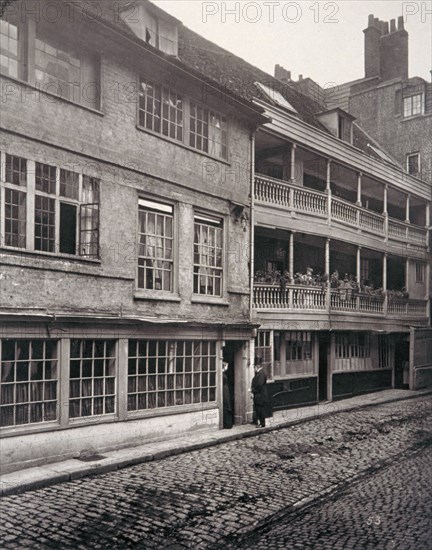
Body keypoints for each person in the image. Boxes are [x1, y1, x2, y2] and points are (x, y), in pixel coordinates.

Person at [251, 356, 270, 428]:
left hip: (260, 396)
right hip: (258, 395)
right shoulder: (259, 373)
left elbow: (259, 385)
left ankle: (262, 423)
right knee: (258, 409)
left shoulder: (261, 374)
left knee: (260, 410)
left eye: (254, 367)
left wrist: (252, 390)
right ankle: (260, 423)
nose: (254, 369)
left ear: (257, 367)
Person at [222, 362, 233, 429]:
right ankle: (226, 423)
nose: (227, 367)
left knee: (227, 404)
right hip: (224, 390)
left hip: (226, 389)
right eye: (226, 366)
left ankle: (228, 423)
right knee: (226, 404)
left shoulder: (223, 373)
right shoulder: (221, 373)